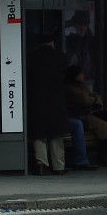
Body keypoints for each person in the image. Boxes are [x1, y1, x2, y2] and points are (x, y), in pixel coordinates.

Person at [63, 64, 107, 167]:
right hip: (80, 116)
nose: (83, 75)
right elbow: (85, 100)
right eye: (81, 73)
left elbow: (95, 96)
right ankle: (102, 156)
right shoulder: (70, 88)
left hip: (89, 115)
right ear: (75, 75)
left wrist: (92, 98)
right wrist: (93, 98)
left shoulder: (82, 86)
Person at [27, 40, 72, 175]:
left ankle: (41, 165)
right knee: (56, 135)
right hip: (55, 102)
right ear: (52, 43)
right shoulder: (60, 57)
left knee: (39, 135)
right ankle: (59, 167)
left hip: (37, 101)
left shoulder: (30, 57)